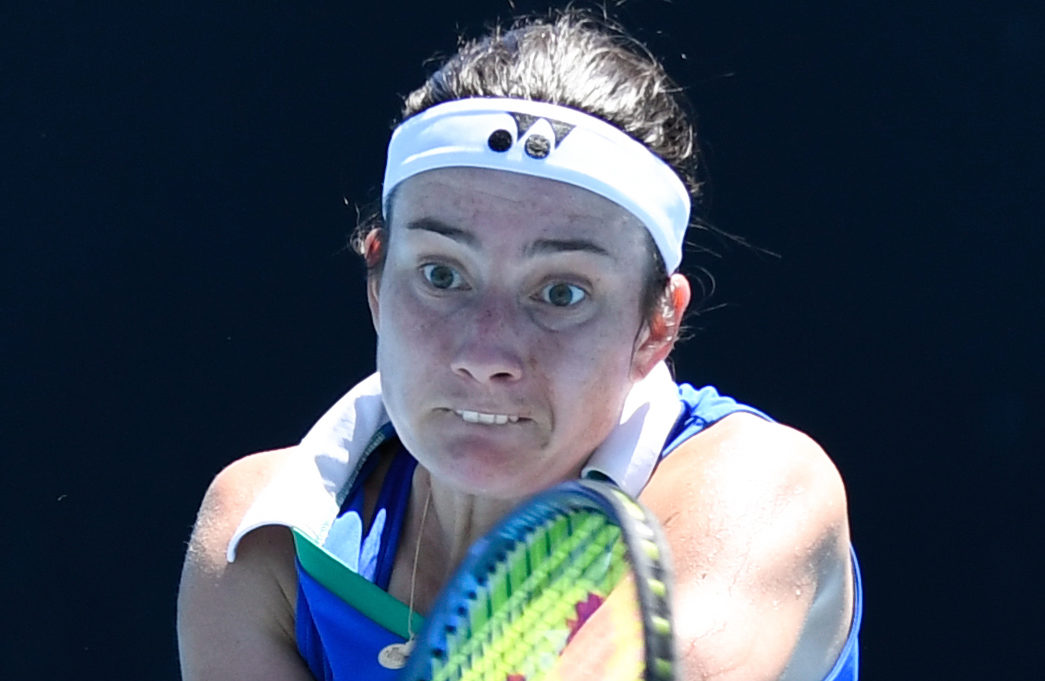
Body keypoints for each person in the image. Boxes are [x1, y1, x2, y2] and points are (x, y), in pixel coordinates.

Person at [177, 10, 860, 681]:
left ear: (656, 326)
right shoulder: (257, 535)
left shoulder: (756, 488)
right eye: (442, 275)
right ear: (378, 284)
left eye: (561, 292)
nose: (486, 353)